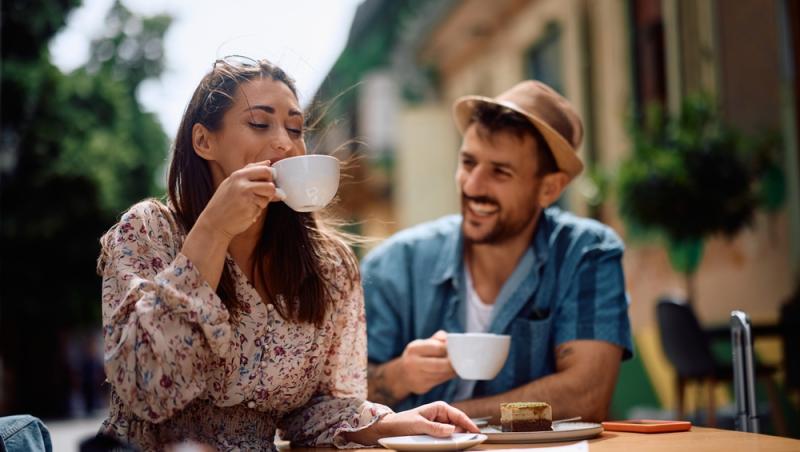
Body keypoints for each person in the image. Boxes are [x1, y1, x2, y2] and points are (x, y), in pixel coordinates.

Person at [96, 56, 477, 451]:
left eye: (296, 128)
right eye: (260, 124)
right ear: (204, 141)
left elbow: (318, 409)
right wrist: (213, 231)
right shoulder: (148, 232)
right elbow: (145, 390)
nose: (285, 142)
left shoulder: (328, 266)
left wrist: (388, 423)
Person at [362, 80, 633, 422]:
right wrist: (400, 376)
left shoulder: (586, 254)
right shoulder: (393, 265)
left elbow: (586, 396)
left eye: (500, 172)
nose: (473, 186)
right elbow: (337, 399)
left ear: (549, 188)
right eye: (468, 162)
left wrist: (448, 418)